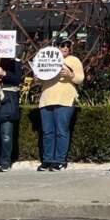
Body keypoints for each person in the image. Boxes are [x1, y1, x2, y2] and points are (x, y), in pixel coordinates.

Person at [36, 43, 84, 171]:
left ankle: (59, 160)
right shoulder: (46, 59)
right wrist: (37, 76)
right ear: (56, 47)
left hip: (65, 100)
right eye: (62, 45)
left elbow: (80, 79)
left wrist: (71, 75)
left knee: (62, 131)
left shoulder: (73, 60)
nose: (65, 48)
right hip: (46, 100)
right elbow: (39, 80)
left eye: (68, 45)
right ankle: (47, 160)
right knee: (47, 132)